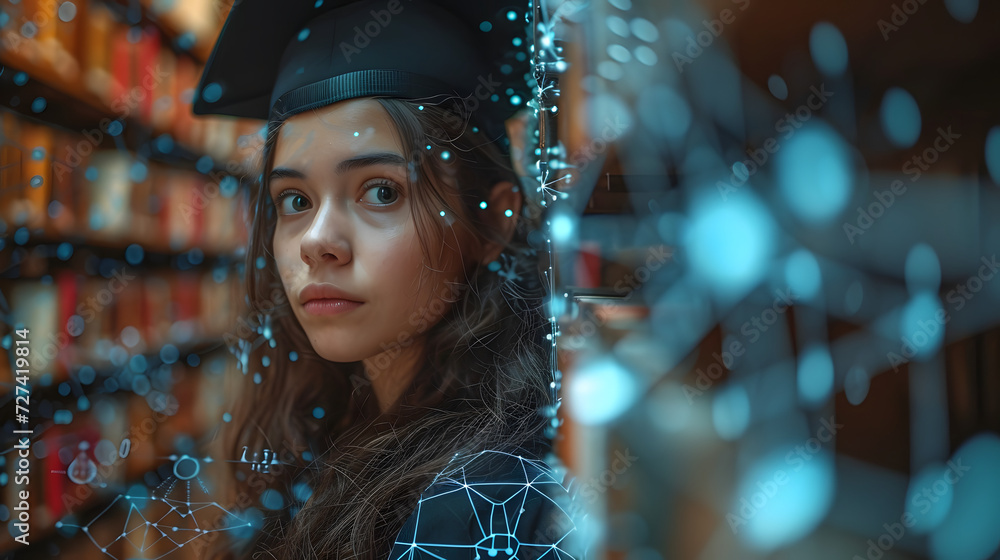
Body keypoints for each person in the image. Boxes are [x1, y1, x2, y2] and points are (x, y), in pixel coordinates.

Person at [192, 1, 588, 559]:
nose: (315, 241)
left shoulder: (481, 509)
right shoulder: (343, 430)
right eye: (295, 200)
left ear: (493, 220)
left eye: (382, 191)